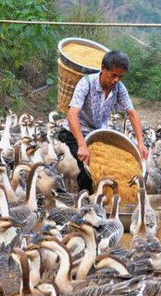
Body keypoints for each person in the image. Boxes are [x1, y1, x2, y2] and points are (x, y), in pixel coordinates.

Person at [62, 50, 148, 192]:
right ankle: (85, 204)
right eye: (113, 75)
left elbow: (132, 113)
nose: (116, 80)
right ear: (103, 68)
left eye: (120, 77)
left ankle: (111, 202)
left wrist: (140, 143)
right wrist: (82, 145)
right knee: (89, 168)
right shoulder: (86, 83)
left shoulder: (119, 89)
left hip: (99, 134)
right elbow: (72, 114)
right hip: (76, 132)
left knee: (112, 167)